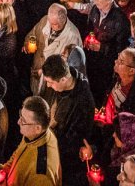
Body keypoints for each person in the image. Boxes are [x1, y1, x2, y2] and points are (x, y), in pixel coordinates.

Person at [40, 55, 94, 186]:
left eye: (51, 82)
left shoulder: (83, 103)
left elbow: (73, 139)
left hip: (64, 159)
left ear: (63, 79)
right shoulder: (59, 85)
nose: (48, 85)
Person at [0, 96, 60, 186]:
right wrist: (3, 170)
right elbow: (17, 153)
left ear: (38, 128)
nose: (18, 122)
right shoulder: (33, 134)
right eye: (20, 116)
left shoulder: (41, 175)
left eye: (23, 120)